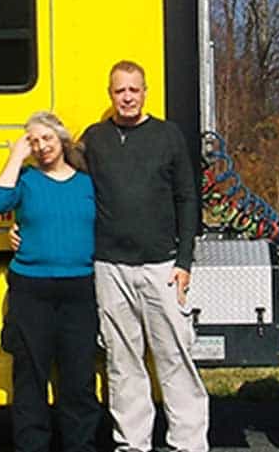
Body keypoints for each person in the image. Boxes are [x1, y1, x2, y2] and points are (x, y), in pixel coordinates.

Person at [80, 60, 207, 452]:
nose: (128, 97)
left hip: (162, 265)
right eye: (120, 90)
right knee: (123, 363)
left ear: (145, 91)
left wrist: (184, 261)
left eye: (134, 89)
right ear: (110, 94)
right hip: (110, 265)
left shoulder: (168, 136)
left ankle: (188, 443)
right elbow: (63, 182)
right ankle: (132, 443)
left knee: (175, 358)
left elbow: (187, 199)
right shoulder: (95, 138)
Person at [0, 111, 101, 452]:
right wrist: (15, 157)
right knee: (30, 380)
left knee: (79, 381)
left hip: (79, 291)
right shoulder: (25, 181)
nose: (41, 146)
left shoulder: (88, 183)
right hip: (31, 291)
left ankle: (80, 446)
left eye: (46, 138)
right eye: (33, 141)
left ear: (62, 140)